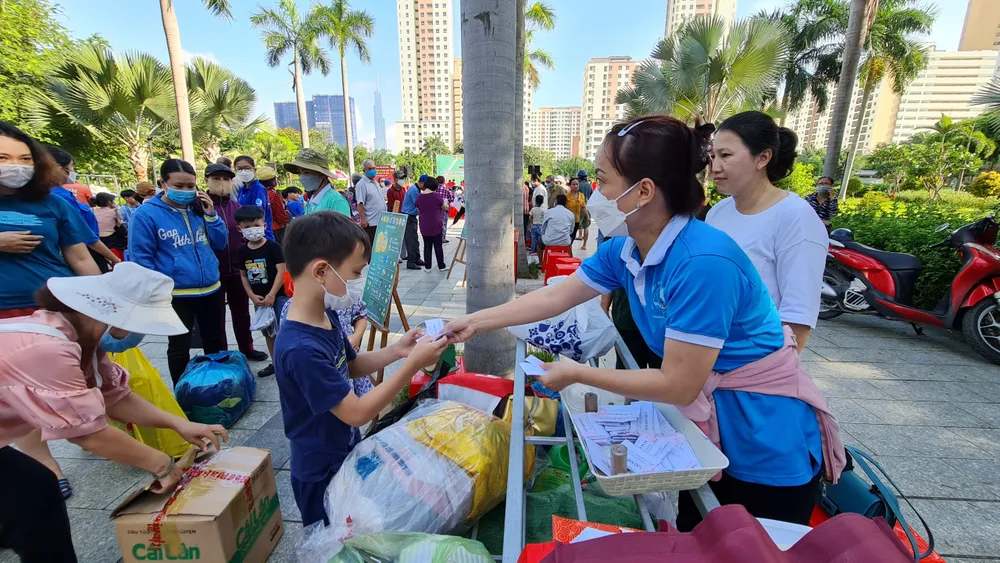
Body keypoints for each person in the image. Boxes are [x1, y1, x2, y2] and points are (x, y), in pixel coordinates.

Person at [444, 115, 844, 531]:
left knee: (751, 545)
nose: (594, 193)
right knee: (704, 538)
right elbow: (556, 296)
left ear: (644, 191)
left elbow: (678, 384)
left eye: (603, 179)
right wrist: (473, 321)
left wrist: (578, 374)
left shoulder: (703, 263)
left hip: (765, 437)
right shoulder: (626, 248)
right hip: (708, 431)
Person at [0, 263, 228, 563]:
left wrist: (178, 424)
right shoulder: (49, 348)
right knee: (36, 494)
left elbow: (115, 397)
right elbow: (87, 434)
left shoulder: (80, 338)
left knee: (34, 492)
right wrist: (162, 465)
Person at [273, 211, 448, 527]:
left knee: (350, 530)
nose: (358, 284)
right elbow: (356, 412)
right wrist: (411, 365)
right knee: (329, 544)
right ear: (322, 271)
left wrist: (398, 350)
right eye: (355, 274)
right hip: (319, 470)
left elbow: (351, 366)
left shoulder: (326, 317)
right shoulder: (301, 349)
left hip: (342, 450)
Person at [707, 111, 829, 352]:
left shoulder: (796, 217)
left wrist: (771, 376)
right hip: (708, 356)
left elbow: (798, 316)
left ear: (762, 158)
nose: (714, 167)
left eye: (726, 155)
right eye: (712, 156)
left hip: (757, 363)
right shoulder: (719, 212)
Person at [129, 159, 229, 384]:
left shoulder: (200, 210)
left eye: (190, 186)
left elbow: (220, 243)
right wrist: (155, 292)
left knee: (216, 342)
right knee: (179, 346)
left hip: (211, 289)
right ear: (163, 183)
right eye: (178, 186)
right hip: (176, 294)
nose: (185, 191)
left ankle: (218, 386)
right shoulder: (146, 215)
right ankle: (184, 390)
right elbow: (141, 258)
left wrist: (211, 215)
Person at [0, 122, 100, 320]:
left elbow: (81, 259)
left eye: (25, 159)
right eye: (3, 158)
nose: (15, 166)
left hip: (55, 308)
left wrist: (104, 304)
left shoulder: (54, 204)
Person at [204, 163, 267, 364]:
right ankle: (221, 353)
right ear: (206, 180)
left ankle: (247, 348)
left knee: (241, 313)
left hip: (238, 271)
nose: (222, 183)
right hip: (213, 271)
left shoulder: (236, 208)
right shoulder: (200, 208)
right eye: (217, 179)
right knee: (216, 316)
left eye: (227, 179)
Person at [47, 146, 121, 272]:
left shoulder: (62, 194)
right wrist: (114, 259)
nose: (72, 172)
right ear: (57, 168)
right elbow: (83, 235)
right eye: (70, 168)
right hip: (83, 254)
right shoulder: (59, 197)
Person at [236, 205, 288, 378]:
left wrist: (272, 295)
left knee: (283, 331)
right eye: (247, 227)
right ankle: (275, 364)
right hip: (259, 300)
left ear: (264, 225)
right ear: (240, 229)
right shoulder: (242, 252)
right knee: (268, 332)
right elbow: (243, 276)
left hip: (278, 297)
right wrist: (251, 296)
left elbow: (282, 271)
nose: (252, 230)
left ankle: (287, 363)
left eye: (256, 225)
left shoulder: (273, 247)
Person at [284, 149, 351, 216]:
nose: (301, 177)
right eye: (299, 173)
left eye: (306, 172)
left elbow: (344, 226)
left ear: (321, 175)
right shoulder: (312, 199)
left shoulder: (336, 201)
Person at [234, 156, 275, 241]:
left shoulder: (258, 189)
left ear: (254, 170)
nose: (243, 171)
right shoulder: (242, 190)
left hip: (261, 235)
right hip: (248, 235)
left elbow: (258, 214)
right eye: (239, 169)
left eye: (247, 168)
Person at [417, 177, 448, 271]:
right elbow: (444, 207)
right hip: (436, 225)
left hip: (424, 225)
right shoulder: (436, 196)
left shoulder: (419, 196)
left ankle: (428, 267)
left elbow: (418, 207)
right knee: (438, 246)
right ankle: (441, 266)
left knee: (427, 246)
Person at [355, 159, 387, 244]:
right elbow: (360, 203)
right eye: (369, 169)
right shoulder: (361, 184)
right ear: (364, 171)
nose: (372, 171)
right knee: (372, 248)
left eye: (374, 168)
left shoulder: (375, 182)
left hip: (380, 221)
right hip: (371, 223)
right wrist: (363, 219)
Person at [260, 166, 291, 245]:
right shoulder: (273, 195)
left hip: (262, 228)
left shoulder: (258, 193)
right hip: (276, 229)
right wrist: (287, 221)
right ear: (273, 180)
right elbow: (280, 214)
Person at [92, 192, 126, 258]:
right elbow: (121, 226)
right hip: (113, 242)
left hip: (99, 240)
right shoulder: (113, 212)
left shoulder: (94, 213)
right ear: (109, 202)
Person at [402, 175, 425, 270]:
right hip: (408, 217)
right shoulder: (414, 191)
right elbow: (419, 206)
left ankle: (416, 258)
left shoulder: (416, 189)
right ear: (422, 183)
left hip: (412, 217)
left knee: (415, 239)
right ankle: (411, 262)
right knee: (411, 240)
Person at [564, 177, 588, 243]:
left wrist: (588, 216)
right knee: (568, 238)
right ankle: (569, 252)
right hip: (568, 221)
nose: (575, 186)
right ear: (570, 185)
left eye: (577, 184)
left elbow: (583, 207)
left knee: (573, 237)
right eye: (573, 184)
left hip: (576, 220)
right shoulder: (566, 196)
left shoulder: (581, 195)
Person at [435, 174, 454, 242]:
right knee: (444, 223)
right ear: (443, 181)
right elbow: (451, 199)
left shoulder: (434, 190)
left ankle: (436, 238)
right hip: (444, 208)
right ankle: (442, 238)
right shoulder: (447, 190)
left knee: (436, 223)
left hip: (436, 209)